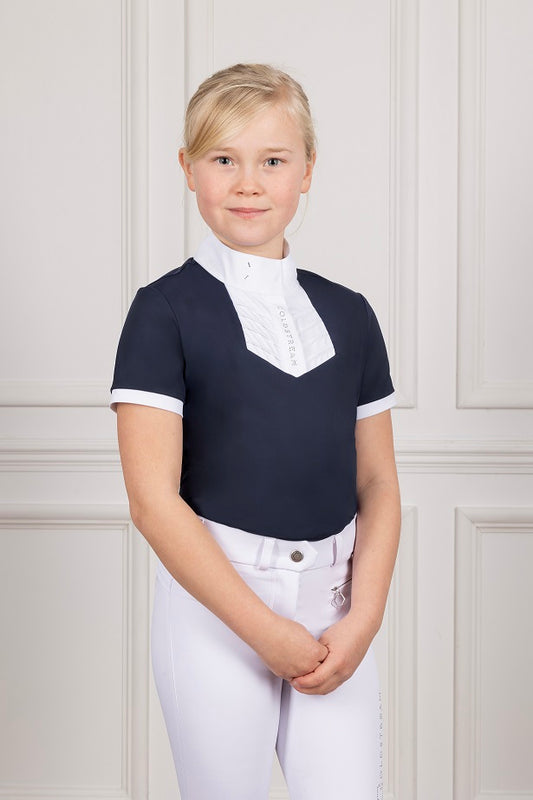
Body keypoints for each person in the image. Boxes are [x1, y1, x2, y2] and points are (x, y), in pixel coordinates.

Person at [109, 63, 401, 800]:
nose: (248, 182)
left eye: (272, 160)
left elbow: (377, 483)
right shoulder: (163, 311)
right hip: (218, 609)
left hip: (335, 612)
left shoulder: (350, 313)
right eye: (222, 159)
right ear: (187, 169)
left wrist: (361, 619)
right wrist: (264, 631)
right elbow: (153, 502)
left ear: (306, 171)